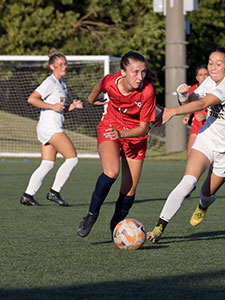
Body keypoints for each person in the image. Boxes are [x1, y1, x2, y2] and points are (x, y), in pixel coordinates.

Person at [147, 46, 225, 243]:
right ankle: (158, 228)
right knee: (188, 181)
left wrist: (170, 111)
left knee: (206, 193)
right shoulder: (209, 81)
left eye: (219, 64)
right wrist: (182, 96)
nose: (213, 67)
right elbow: (192, 101)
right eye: (210, 63)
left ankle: (203, 205)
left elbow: (202, 104)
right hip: (207, 137)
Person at [76, 51, 156, 239]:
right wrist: (90, 99)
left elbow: (144, 129)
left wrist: (123, 134)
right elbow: (99, 85)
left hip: (135, 136)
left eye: (143, 72)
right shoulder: (111, 82)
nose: (140, 77)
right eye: (135, 72)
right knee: (111, 172)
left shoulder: (147, 91)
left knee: (129, 190)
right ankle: (91, 215)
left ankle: (116, 226)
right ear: (123, 72)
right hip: (110, 127)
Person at [19, 48, 82, 207]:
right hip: (51, 127)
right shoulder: (50, 82)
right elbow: (32, 99)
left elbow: (58, 107)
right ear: (52, 67)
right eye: (60, 64)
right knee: (72, 159)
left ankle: (27, 196)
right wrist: (51, 106)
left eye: (65, 64)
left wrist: (72, 106)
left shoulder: (63, 84)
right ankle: (54, 192)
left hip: (48, 127)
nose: (64, 67)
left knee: (47, 163)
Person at [181, 64, 209, 157]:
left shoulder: (215, 88)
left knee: (211, 154)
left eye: (206, 74)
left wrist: (206, 116)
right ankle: (190, 170)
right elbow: (190, 105)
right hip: (197, 123)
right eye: (201, 75)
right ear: (197, 77)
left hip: (211, 124)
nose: (204, 77)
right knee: (191, 152)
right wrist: (188, 116)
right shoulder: (194, 89)